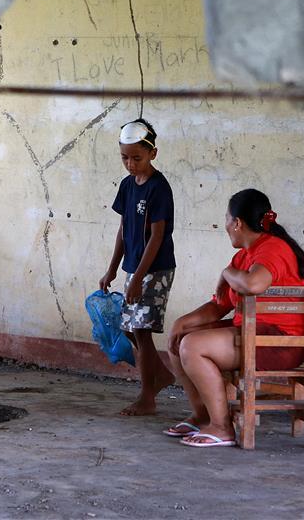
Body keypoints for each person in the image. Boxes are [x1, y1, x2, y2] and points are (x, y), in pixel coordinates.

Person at [163, 188, 304, 447]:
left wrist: (226, 272)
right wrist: (182, 323)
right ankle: (203, 416)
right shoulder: (244, 256)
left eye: (226, 219)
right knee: (179, 339)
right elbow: (220, 305)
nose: (226, 226)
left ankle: (222, 428)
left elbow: (253, 284)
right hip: (255, 335)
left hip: (280, 342)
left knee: (193, 346)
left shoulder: (273, 248)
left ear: (237, 222)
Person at [99, 119, 177, 416]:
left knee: (141, 332)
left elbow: (156, 236)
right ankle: (162, 375)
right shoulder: (127, 186)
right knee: (131, 329)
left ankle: (148, 396)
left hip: (154, 268)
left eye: (137, 158)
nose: (130, 164)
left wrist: (138, 279)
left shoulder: (159, 188)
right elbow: (123, 229)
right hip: (134, 267)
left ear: (153, 154)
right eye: (125, 157)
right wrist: (113, 269)